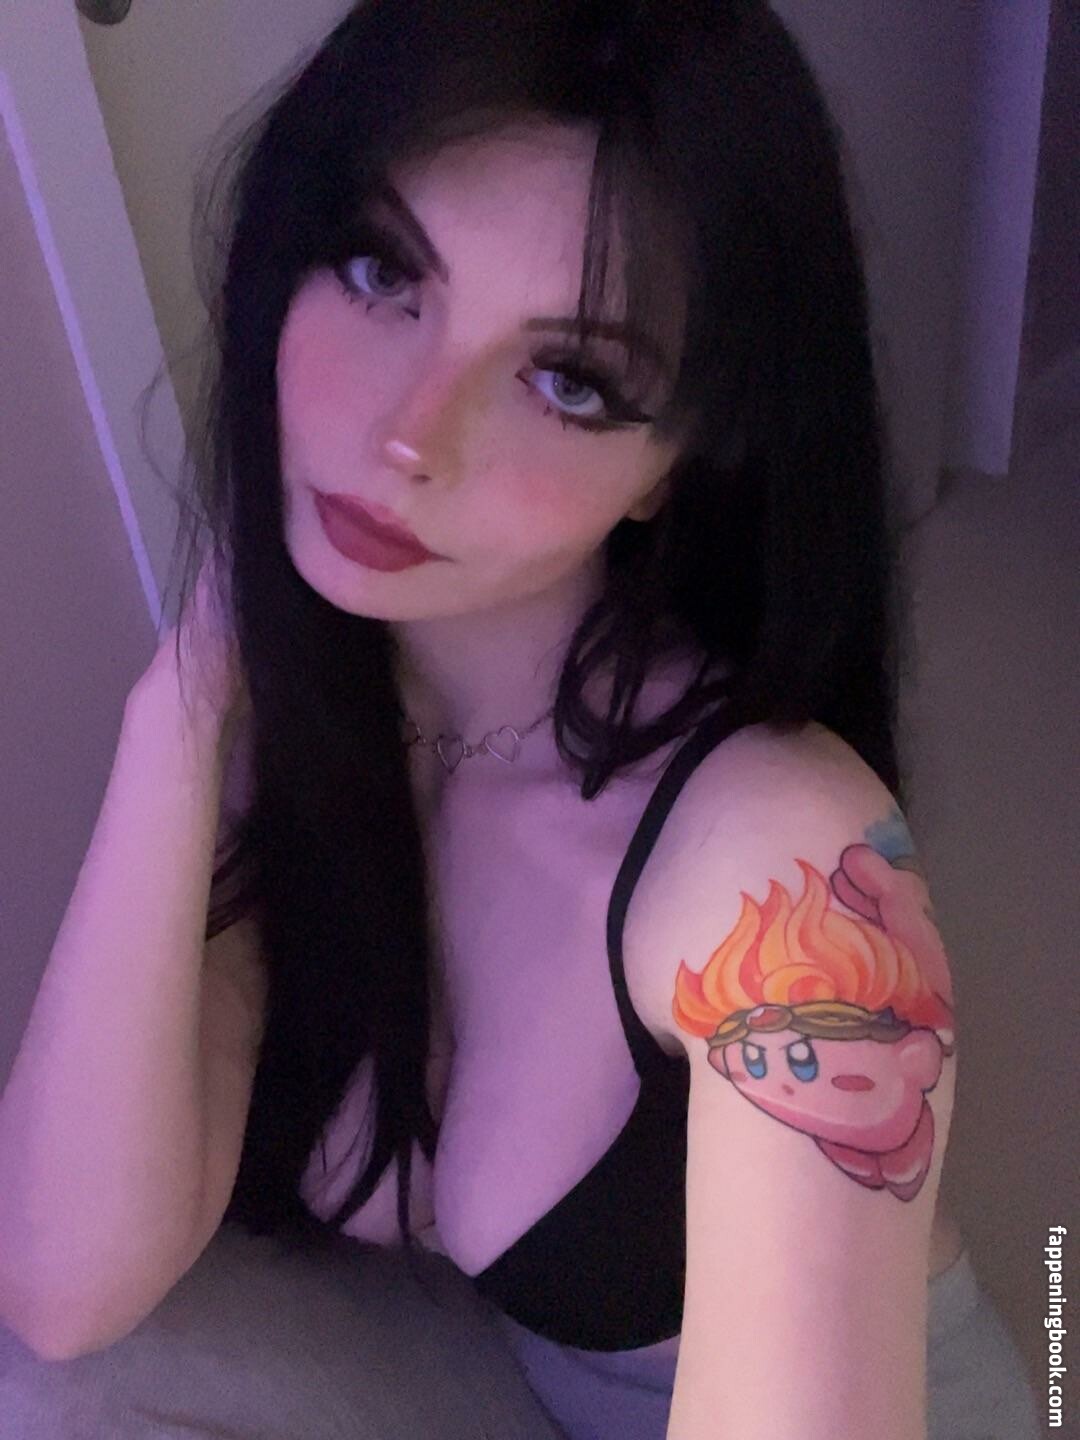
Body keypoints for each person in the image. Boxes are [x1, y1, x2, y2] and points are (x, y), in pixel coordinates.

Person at [0, 2, 1042, 1437]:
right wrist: (184, 696)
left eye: (568, 380)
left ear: (678, 463)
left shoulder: (772, 863)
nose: (409, 433)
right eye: (382, 271)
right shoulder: (310, 729)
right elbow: (63, 1286)